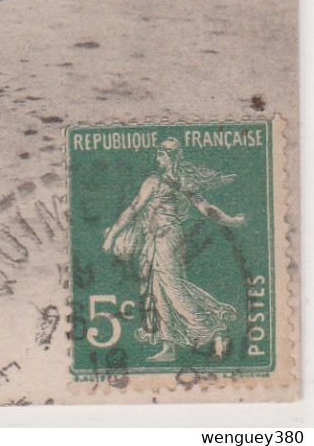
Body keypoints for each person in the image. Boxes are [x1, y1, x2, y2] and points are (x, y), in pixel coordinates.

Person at [102, 138, 245, 360]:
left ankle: (214, 328)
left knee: (173, 288)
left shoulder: (163, 182)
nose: (158, 159)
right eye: (158, 154)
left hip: (166, 239)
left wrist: (231, 220)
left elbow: (205, 208)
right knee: (158, 291)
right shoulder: (169, 182)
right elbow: (134, 210)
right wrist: (113, 235)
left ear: (172, 158)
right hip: (156, 239)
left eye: (161, 155)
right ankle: (168, 347)